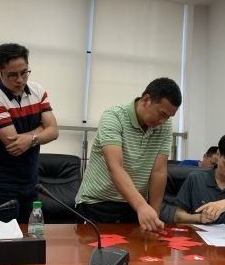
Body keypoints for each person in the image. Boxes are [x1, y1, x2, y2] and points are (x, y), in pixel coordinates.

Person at [75, 77, 182, 231]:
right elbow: (115, 167)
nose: (163, 121)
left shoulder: (164, 126)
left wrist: (154, 215)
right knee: (98, 246)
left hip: (133, 207)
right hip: (98, 204)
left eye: (168, 117)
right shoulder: (114, 116)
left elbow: (158, 172)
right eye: (162, 114)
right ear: (146, 100)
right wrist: (141, 206)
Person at [0, 43, 59, 222]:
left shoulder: (38, 91)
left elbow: (54, 131)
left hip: (31, 181)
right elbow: (15, 145)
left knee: (32, 234)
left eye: (24, 72)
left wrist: (30, 139)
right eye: (13, 75)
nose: (20, 80)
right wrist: (41, 129)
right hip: (1, 184)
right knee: (5, 237)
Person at [174, 133, 225, 224]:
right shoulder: (196, 179)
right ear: (218, 154)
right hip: (203, 232)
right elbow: (178, 216)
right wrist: (199, 218)